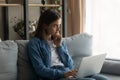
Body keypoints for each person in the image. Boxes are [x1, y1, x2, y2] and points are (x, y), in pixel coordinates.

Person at [27, 9, 110, 80]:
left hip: (68, 73)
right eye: (55, 26)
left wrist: (59, 46)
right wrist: (64, 74)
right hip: (56, 77)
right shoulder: (34, 44)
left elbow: (70, 65)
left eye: (59, 25)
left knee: (104, 79)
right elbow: (41, 70)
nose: (58, 29)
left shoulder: (59, 41)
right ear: (45, 25)